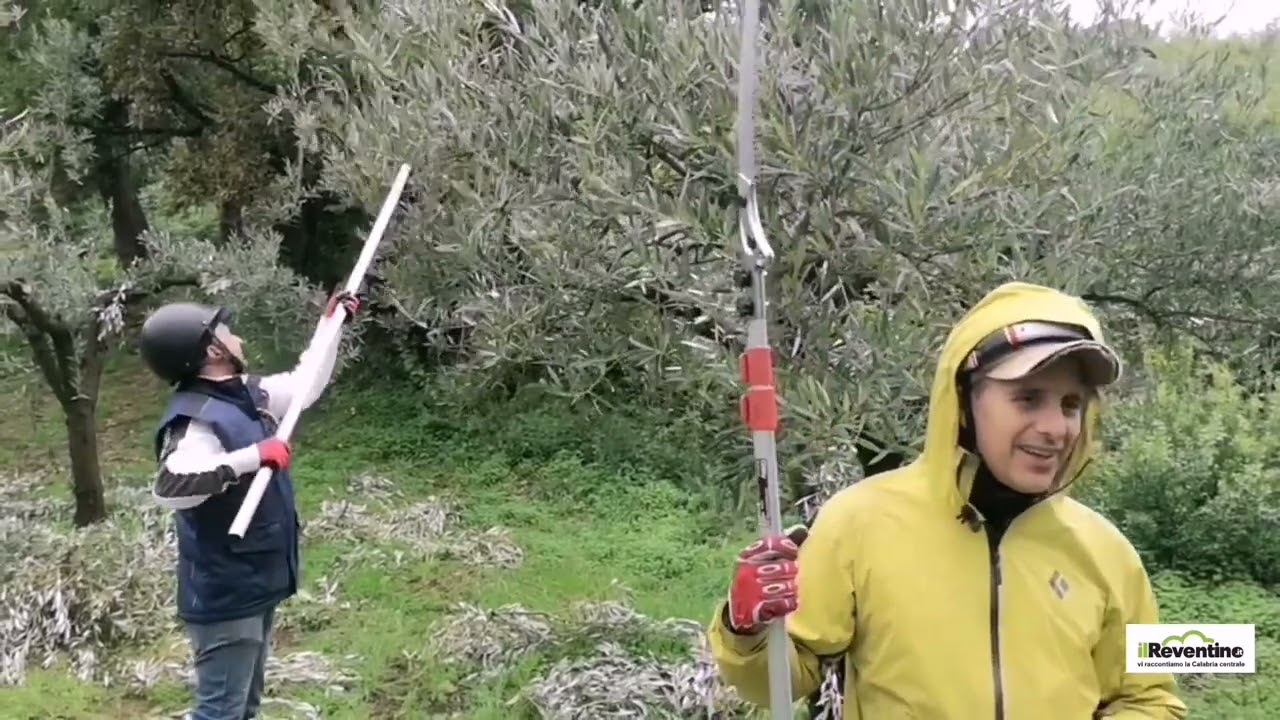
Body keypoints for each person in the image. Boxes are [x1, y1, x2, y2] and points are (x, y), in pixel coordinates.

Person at [707, 281, 1188, 719]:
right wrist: (745, 629)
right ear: (963, 400)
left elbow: (1149, 699)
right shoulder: (860, 522)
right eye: (1027, 398)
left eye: (1071, 404)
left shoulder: (1108, 553)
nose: (1054, 428)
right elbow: (778, 682)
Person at [138, 293, 359, 720]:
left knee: (244, 708)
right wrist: (252, 457)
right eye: (227, 332)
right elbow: (172, 486)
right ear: (213, 351)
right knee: (221, 711)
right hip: (226, 593)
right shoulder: (195, 420)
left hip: (254, 582)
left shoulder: (245, 395)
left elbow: (304, 386)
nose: (237, 338)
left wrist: (329, 328)